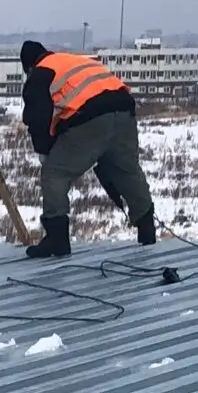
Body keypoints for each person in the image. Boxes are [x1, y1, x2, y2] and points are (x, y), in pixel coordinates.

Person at [19, 39, 159, 258]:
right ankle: (147, 230)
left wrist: (45, 152)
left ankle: (57, 240)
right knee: (126, 170)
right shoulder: (72, 61)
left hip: (92, 118)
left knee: (55, 173)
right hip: (124, 111)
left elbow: (37, 118)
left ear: (28, 66)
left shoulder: (40, 73)